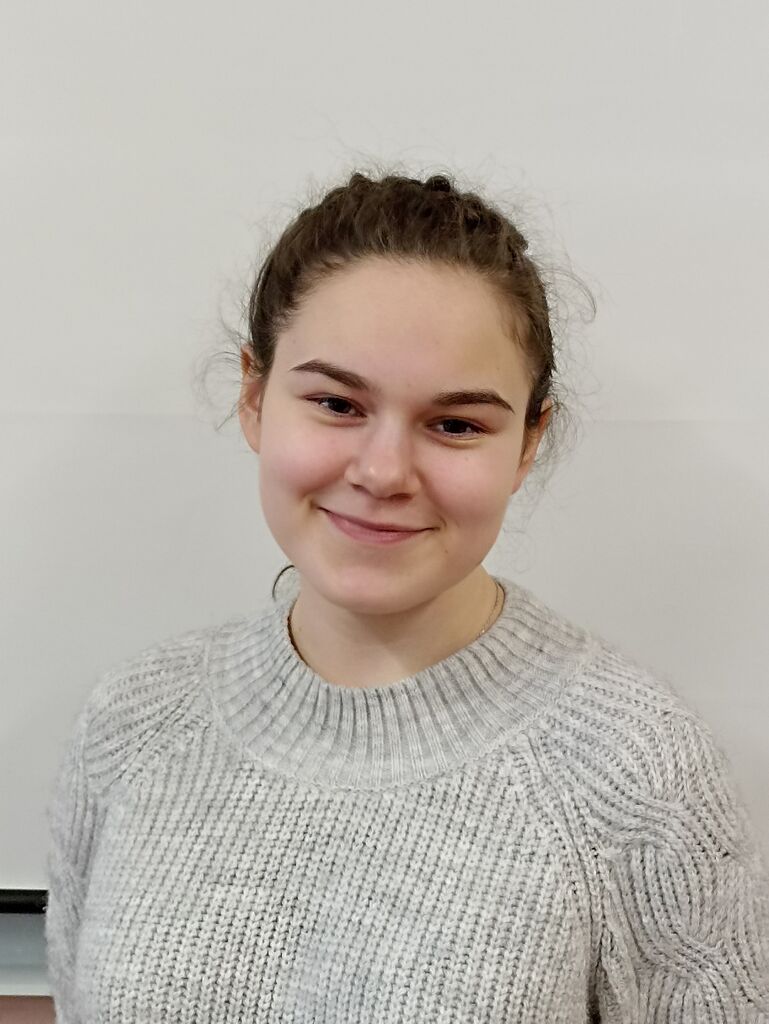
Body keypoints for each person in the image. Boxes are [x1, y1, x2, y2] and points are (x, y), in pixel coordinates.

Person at [44, 168, 769, 1023]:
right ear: (254, 397)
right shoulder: (131, 726)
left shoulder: (633, 769)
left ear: (528, 441)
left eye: (455, 424)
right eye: (336, 403)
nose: (383, 472)